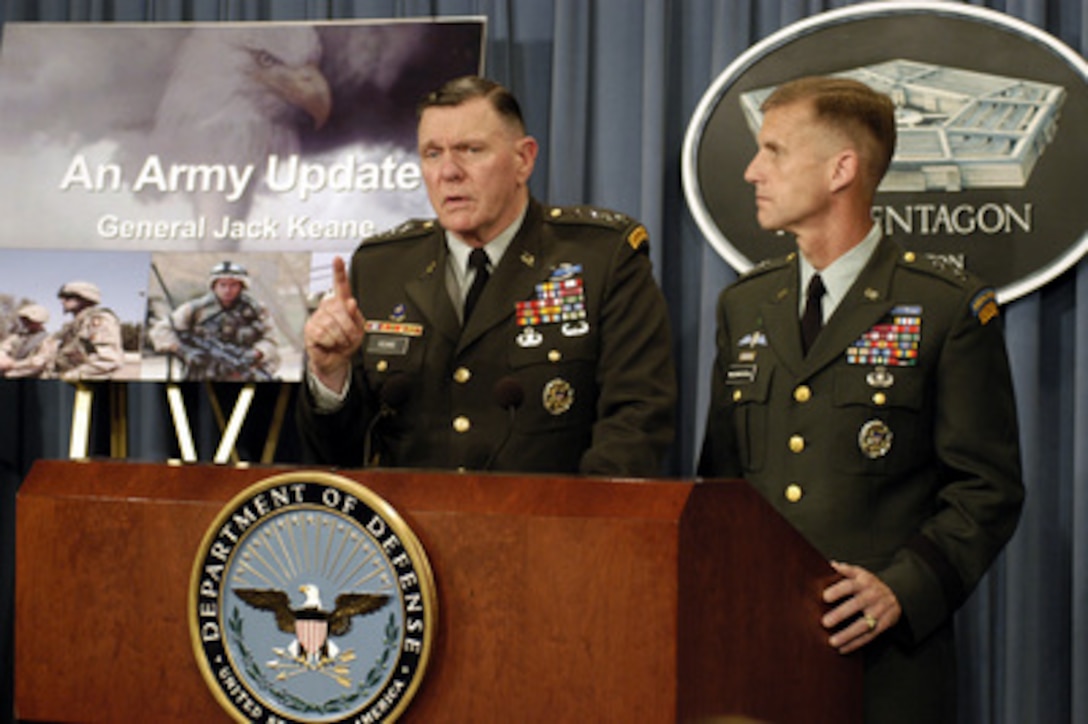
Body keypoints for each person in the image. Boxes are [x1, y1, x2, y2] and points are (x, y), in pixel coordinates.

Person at [697, 76, 1023, 723]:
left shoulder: (944, 306)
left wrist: (902, 589)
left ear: (842, 168)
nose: (752, 170)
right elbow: (723, 481)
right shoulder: (746, 304)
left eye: (774, 151)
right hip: (756, 653)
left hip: (886, 666)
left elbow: (987, 489)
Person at [297, 75, 675, 475]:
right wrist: (330, 372)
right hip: (408, 532)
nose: (448, 172)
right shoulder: (382, 265)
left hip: (548, 528)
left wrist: (575, 529)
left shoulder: (602, 257)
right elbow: (337, 456)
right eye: (432, 153)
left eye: (470, 150)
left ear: (523, 160)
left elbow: (637, 422)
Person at [148, 260, 280, 381]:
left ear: (242, 286)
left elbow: (271, 340)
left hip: (241, 371)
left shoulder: (256, 310)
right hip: (203, 375)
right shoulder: (195, 309)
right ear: (214, 286)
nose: (227, 290)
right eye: (222, 285)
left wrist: (256, 353)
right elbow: (160, 331)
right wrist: (183, 350)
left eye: (233, 285)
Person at [51, 281, 123, 380]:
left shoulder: (99, 320)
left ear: (85, 297)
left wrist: (69, 376)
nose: (62, 301)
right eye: (62, 297)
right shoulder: (72, 326)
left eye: (68, 297)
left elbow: (109, 361)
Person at [0, 303, 56, 378]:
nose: (25, 322)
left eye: (28, 320)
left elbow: (40, 361)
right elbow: (4, 348)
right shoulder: (19, 336)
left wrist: (13, 365)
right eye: (23, 319)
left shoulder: (48, 339)